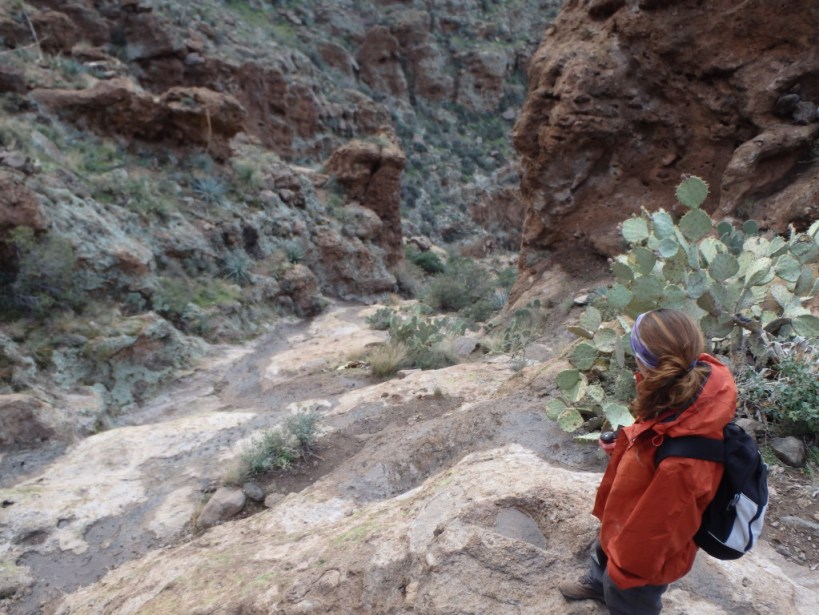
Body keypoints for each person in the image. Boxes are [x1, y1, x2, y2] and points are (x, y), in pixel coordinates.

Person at [558, 308, 737, 614]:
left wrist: (626, 572)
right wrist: (627, 442)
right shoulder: (683, 385)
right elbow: (661, 431)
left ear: (645, 360)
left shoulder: (684, 463)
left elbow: (658, 532)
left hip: (644, 545)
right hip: (633, 502)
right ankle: (599, 582)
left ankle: (613, 590)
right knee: (606, 546)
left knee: (629, 594)